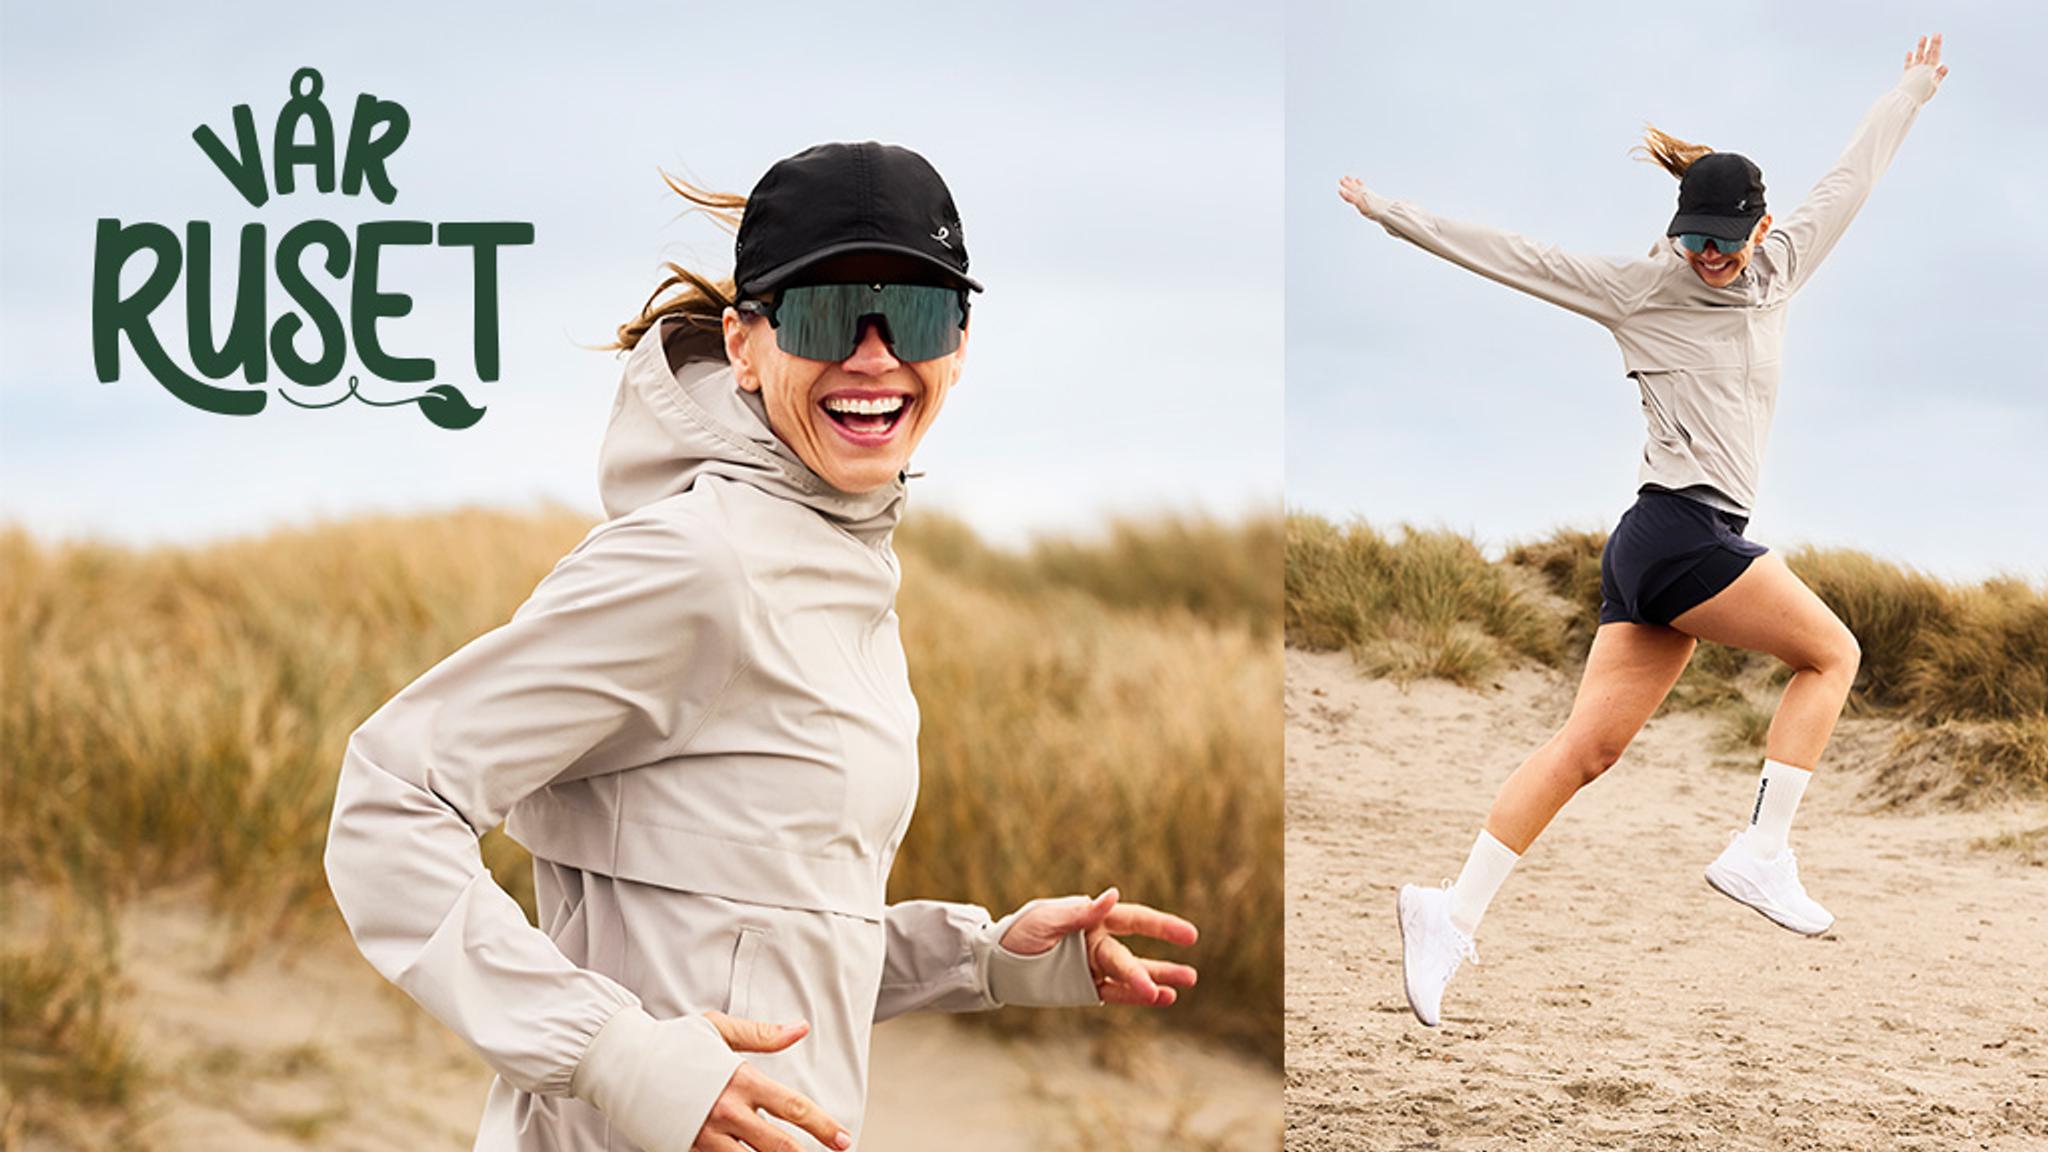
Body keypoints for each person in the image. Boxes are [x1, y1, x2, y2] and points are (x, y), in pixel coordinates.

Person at [324, 141, 1200, 1149]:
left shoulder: (842, 565)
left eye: (913, 313)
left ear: (958, 344)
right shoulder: (697, 561)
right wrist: (613, 1052)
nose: (873, 357)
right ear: (745, 344)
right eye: (826, 315)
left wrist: (984, 957)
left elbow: (764, 936)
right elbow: (387, 801)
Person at [1337, 36, 1949, 1027]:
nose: (1705, 257)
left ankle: (1447, 913)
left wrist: (1910, 91)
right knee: (1832, 652)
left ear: (1754, 227)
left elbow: (1850, 178)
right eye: (1691, 239)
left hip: (1656, 548)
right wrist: (1387, 213)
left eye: (1722, 239)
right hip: (1676, 532)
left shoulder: (1780, 266)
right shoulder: (1640, 289)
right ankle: (1758, 852)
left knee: (1586, 749)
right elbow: (1517, 259)